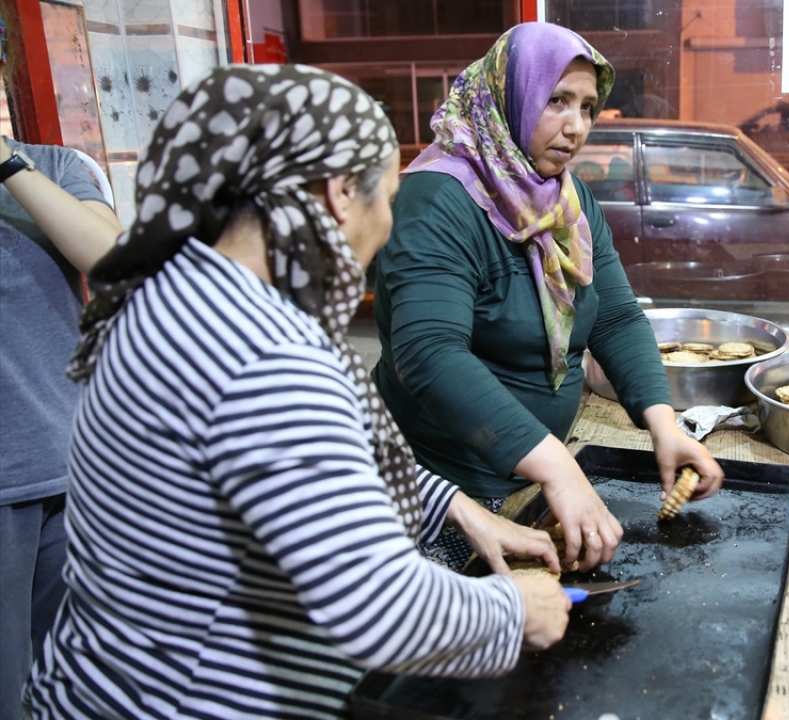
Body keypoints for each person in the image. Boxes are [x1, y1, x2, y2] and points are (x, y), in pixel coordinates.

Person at [24, 65, 571, 719]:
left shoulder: (176, 295)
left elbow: (273, 464)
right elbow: (377, 609)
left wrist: (449, 506)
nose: (388, 225)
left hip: (96, 684)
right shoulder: (265, 356)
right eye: (387, 198)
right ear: (341, 192)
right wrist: (518, 610)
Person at [373, 22, 724, 572]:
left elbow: (614, 317)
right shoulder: (439, 199)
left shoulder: (564, 195)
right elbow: (430, 354)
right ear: (509, 96)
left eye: (587, 107)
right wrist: (557, 466)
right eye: (556, 100)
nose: (576, 126)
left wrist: (664, 423)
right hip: (446, 491)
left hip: (529, 474)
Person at [0, 11, 126, 716]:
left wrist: (8, 162)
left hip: (74, 465)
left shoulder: (55, 167)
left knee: (82, 677)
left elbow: (109, 260)